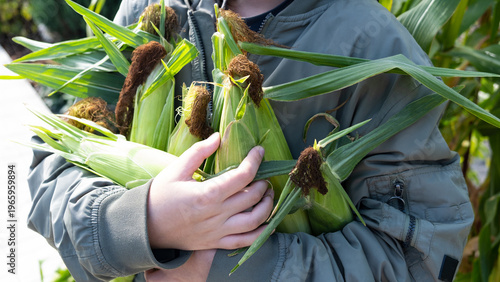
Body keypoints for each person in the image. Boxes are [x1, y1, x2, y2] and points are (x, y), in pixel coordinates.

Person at [27, 0, 474, 281]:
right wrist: (141, 223)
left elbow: (418, 258)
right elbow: (54, 166)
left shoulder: (371, 49)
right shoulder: (149, 14)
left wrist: (212, 270)